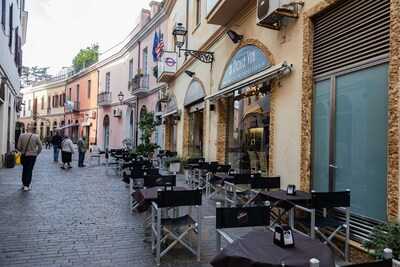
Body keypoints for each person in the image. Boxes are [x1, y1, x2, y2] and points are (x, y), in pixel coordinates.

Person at [17, 126, 42, 191]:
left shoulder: (21, 136)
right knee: (29, 170)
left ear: (26, 130)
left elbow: (18, 147)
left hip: (24, 155)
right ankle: (26, 185)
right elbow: (40, 146)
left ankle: (23, 183)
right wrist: (37, 153)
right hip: (32, 156)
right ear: (32, 130)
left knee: (24, 169)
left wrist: (22, 151)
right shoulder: (36, 136)